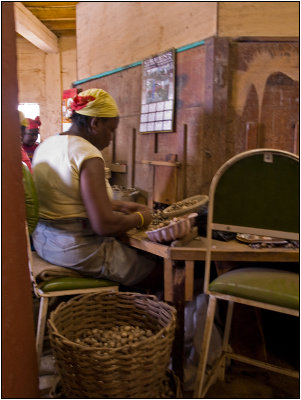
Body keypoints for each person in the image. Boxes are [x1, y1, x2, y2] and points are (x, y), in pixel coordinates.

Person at [32, 88, 157, 287]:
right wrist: (142, 218)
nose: (112, 138)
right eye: (111, 130)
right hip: (77, 250)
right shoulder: (87, 154)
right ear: (95, 122)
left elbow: (66, 197)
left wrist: (121, 206)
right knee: (159, 271)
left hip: (45, 243)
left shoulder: (47, 145)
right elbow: (104, 225)